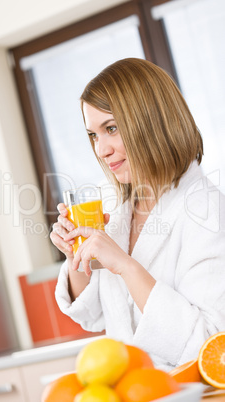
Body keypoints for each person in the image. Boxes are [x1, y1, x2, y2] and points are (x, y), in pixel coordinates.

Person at [50, 58, 225, 371]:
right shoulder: (120, 213)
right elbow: (95, 316)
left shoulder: (207, 211)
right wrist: (76, 255)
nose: (101, 150)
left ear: (152, 121)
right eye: (93, 135)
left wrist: (126, 266)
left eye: (111, 128)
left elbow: (211, 346)